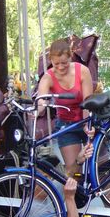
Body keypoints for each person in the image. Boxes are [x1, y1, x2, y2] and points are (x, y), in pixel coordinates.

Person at [25, 143, 93, 217]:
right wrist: (70, 198)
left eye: (49, 177)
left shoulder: (46, 192)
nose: (49, 181)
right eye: (44, 178)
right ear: (31, 181)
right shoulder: (34, 210)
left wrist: (79, 161)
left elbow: (67, 176)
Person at [37, 39, 95, 178]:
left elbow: (88, 102)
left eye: (64, 63)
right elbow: (41, 101)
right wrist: (38, 110)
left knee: (100, 170)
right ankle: (79, 195)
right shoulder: (47, 78)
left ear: (70, 57)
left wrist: (88, 125)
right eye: (57, 64)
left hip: (87, 120)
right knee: (74, 171)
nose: (61, 67)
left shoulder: (82, 71)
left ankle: (106, 196)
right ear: (51, 60)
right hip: (66, 125)